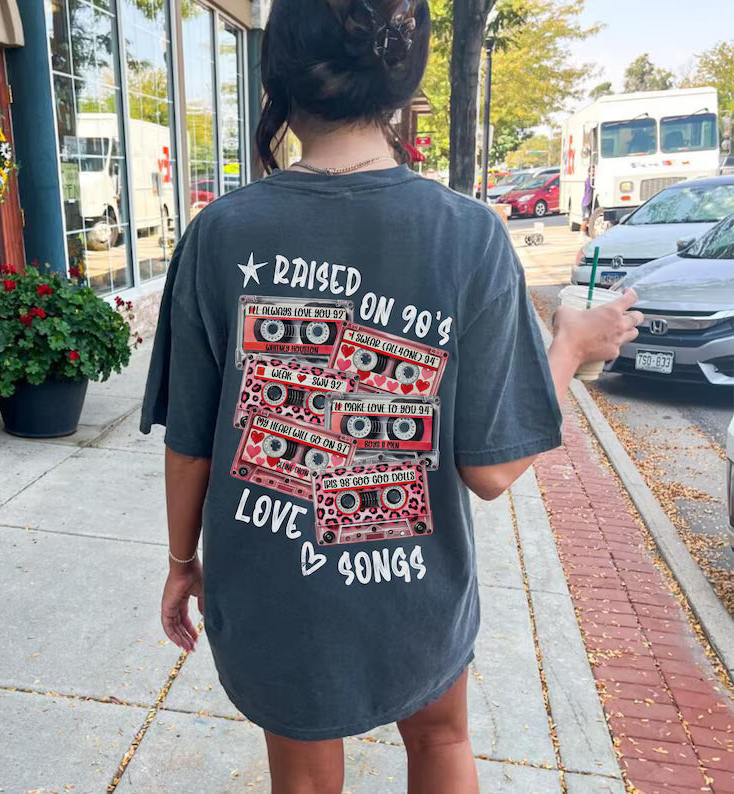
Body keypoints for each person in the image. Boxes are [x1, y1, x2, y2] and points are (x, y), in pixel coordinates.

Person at [140, 1, 643, 791]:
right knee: (441, 740)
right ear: (403, 82)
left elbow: (191, 441)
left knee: (305, 780)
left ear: (278, 77)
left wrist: (180, 562)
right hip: (415, 589)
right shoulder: (468, 235)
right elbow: (493, 468)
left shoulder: (221, 232)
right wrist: (571, 347)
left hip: (273, 588)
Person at [580, 164, 595, 234]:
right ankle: (582, 234)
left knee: (588, 219)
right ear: (589, 172)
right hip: (586, 203)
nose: (593, 173)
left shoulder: (591, 180)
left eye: (594, 171)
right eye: (592, 171)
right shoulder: (589, 181)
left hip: (588, 202)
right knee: (585, 219)